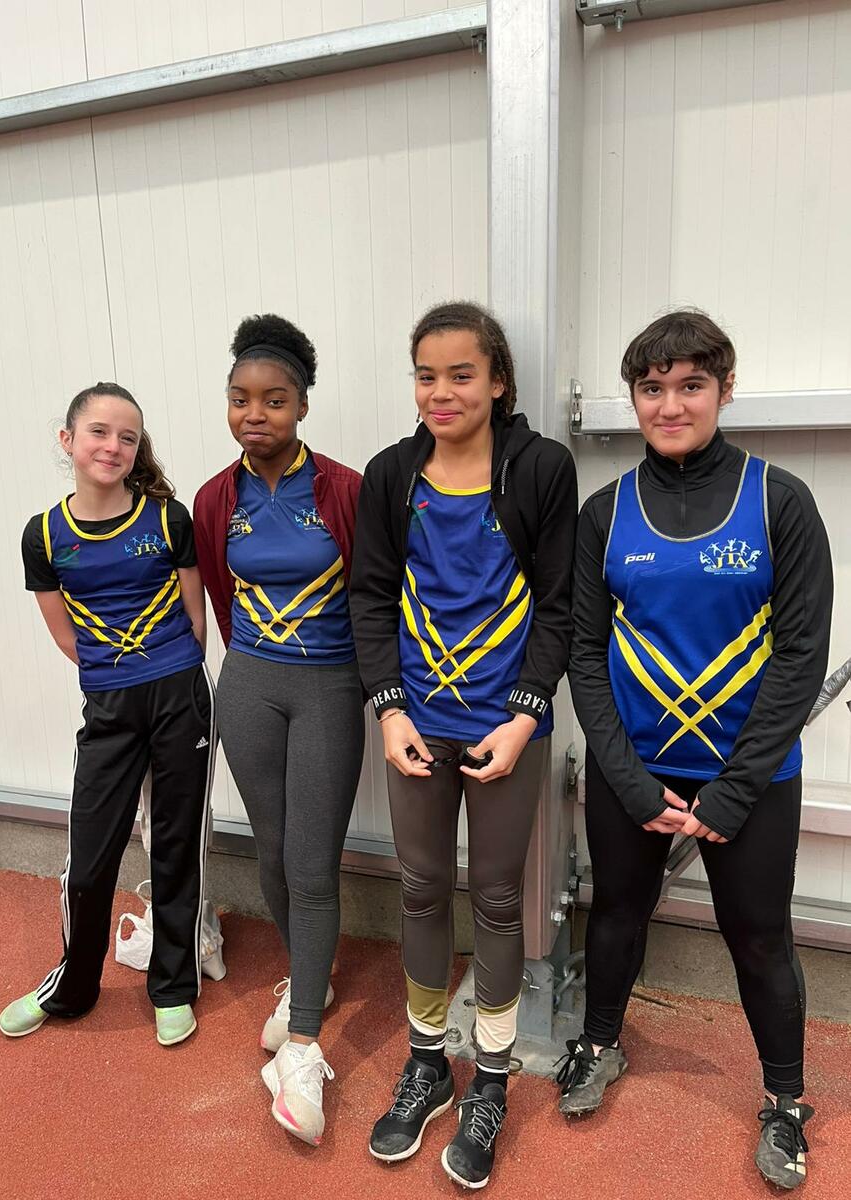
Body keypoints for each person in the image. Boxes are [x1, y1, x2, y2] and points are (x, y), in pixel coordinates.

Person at [564, 310, 833, 1189]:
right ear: (634, 397)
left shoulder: (780, 501)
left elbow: (801, 656)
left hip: (747, 777)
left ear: (724, 389)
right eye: (652, 388)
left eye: (691, 385)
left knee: (759, 937)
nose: (670, 405)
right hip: (633, 772)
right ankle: (600, 1043)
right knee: (615, 914)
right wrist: (629, 781)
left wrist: (736, 788)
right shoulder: (604, 514)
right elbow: (583, 656)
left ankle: (786, 1101)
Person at [350, 301, 577, 1188]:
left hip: (506, 726)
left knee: (496, 898)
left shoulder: (541, 468)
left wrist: (523, 717)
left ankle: (490, 1079)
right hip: (416, 723)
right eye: (426, 376)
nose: (440, 393)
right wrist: (388, 711)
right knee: (417, 887)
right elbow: (371, 597)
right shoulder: (390, 474)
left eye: (461, 375)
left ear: (498, 381)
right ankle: (425, 1064)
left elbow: (559, 605)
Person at [0, 383, 215, 1048]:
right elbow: (67, 636)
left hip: (179, 695)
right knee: (90, 862)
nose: (113, 446)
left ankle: (173, 987)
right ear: (68, 440)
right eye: (98, 432)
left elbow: (196, 617)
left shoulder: (168, 519)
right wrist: (114, 674)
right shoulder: (43, 535)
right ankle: (72, 987)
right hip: (109, 704)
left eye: (128, 437)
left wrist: (167, 672)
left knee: (177, 847)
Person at [193, 314, 364, 1147]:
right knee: (268, 853)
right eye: (239, 398)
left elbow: (374, 594)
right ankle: (309, 978)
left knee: (310, 861)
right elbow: (221, 598)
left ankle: (302, 1046)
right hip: (250, 686)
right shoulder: (214, 499)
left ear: (301, 405)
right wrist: (250, 672)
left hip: (329, 687)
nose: (253, 413)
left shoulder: (343, 489)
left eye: (273, 399)